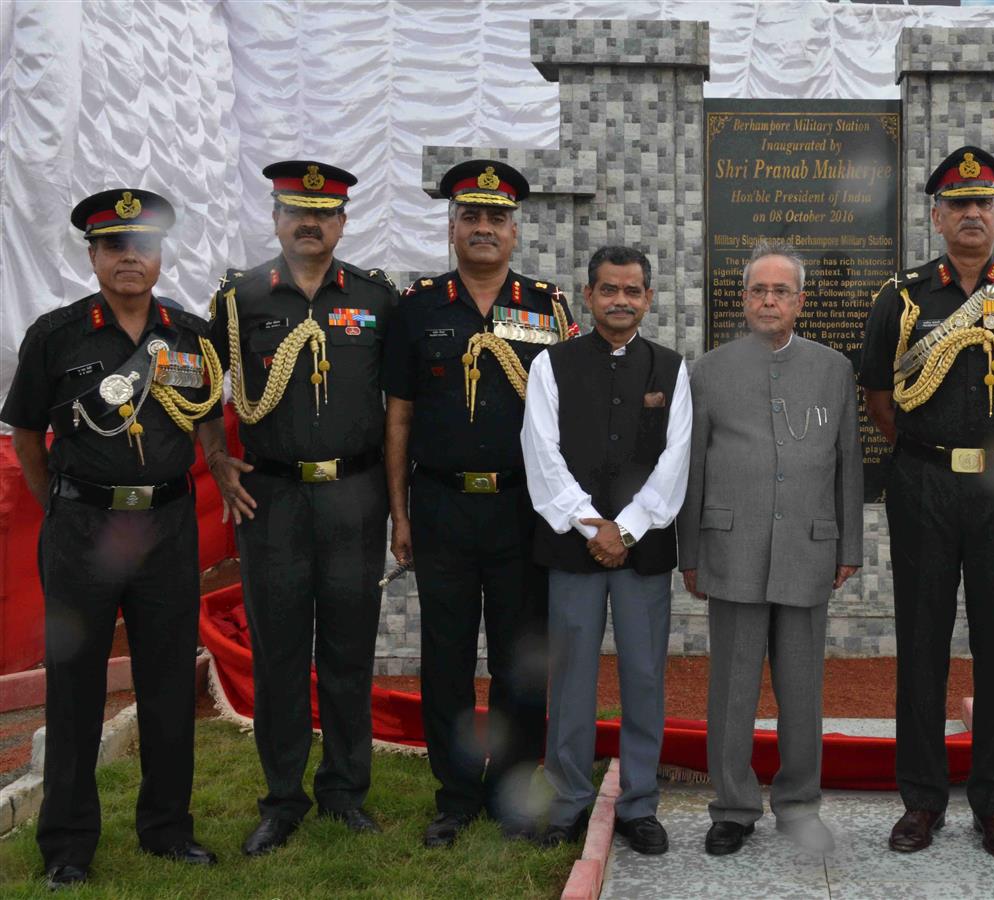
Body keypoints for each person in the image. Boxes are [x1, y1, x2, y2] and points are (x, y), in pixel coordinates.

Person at [859, 146, 994, 858]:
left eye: (983, 202)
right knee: (921, 642)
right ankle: (921, 802)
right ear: (937, 215)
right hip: (922, 485)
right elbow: (881, 400)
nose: (972, 214)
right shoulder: (903, 296)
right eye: (958, 204)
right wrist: (935, 456)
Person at [2, 189, 222, 887]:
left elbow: (209, 419)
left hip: (166, 528)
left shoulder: (191, 337)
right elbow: (27, 436)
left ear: (160, 255)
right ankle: (67, 846)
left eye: (144, 246)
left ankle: (167, 830)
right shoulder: (56, 335)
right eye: (115, 247)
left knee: (164, 684)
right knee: (74, 688)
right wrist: (66, 507)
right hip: (85, 528)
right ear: (94, 255)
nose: (131, 258)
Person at [200, 161, 397, 854]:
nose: (309, 223)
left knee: (347, 649)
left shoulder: (377, 297)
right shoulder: (239, 298)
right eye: (295, 210)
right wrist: (218, 460)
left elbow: (400, 404)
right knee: (280, 651)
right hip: (272, 499)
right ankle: (282, 800)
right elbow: (201, 384)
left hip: (354, 495)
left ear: (343, 222)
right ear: (276, 217)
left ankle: (344, 791)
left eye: (324, 212)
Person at [383, 159, 577, 847]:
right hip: (440, 509)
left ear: (515, 230)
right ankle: (456, 794)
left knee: (523, 659)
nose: (484, 228)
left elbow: (568, 419)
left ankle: (515, 790)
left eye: (497, 218)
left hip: (523, 511)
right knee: (447, 657)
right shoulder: (417, 307)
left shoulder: (549, 308)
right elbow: (399, 417)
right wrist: (400, 514)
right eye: (472, 216)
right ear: (452, 226)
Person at [677, 240, 863, 856]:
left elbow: (848, 465)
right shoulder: (708, 371)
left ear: (800, 302)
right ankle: (732, 806)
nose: (768, 300)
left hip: (809, 548)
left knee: (803, 687)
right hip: (731, 548)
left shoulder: (834, 369)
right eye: (758, 289)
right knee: (731, 686)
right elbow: (693, 467)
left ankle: (799, 803)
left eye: (781, 291)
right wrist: (689, 551)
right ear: (743, 297)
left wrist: (849, 543)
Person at [521, 245, 691, 853]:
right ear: (588, 296)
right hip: (574, 547)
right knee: (571, 677)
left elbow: (676, 461)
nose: (621, 300)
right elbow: (541, 454)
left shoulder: (671, 369)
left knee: (644, 674)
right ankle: (568, 798)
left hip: (642, 552)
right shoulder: (551, 364)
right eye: (609, 290)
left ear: (648, 297)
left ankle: (639, 802)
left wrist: (630, 528)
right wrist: (592, 524)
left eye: (633, 290)